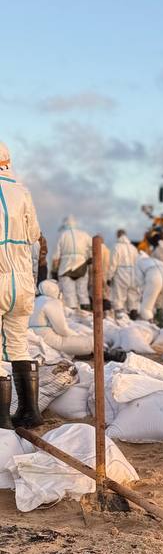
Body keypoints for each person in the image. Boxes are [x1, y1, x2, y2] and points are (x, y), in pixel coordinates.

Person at [0, 140, 44, 429]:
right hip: (23, 281)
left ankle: (2, 418)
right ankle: (30, 413)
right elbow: (35, 235)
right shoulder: (23, 192)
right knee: (18, 343)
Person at [29, 281, 93, 357]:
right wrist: (77, 336)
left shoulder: (35, 300)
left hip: (33, 333)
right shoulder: (52, 302)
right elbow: (62, 329)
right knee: (91, 342)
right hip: (48, 336)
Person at [53, 216, 93, 311]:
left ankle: (72, 316)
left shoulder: (63, 235)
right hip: (81, 265)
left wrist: (54, 269)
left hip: (66, 267)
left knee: (69, 293)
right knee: (83, 292)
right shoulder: (84, 234)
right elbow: (93, 245)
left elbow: (56, 255)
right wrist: (90, 257)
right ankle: (86, 313)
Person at [135, 252, 163, 324]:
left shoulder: (138, 263)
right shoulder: (155, 260)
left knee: (146, 307)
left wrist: (141, 294)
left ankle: (150, 324)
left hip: (154, 277)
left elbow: (139, 281)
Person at [107, 229, 139, 318]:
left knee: (119, 296)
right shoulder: (133, 248)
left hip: (121, 273)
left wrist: (109, 277)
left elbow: (113, 264)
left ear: (118, 236)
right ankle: (134, 315)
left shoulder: (116, 247)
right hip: (133, 273)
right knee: (133, 295)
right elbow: (138, 262)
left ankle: (120, 318)